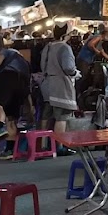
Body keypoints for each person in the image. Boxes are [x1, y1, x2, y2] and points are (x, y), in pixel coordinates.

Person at [0, 47, 32, 160]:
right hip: (22, 86)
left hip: (8, 77)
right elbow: (28, 90)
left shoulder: (9, 52)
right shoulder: (25, 64)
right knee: (11, 118)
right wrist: (30, 107)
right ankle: (10, 150)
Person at [40, 25, 79, 154]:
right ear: (64, 35)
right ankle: (60, 146)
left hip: (47, 84)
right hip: (60, 85)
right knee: (61, 116)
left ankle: (44, 144)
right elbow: (68, 67)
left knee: (47, 115)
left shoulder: (48, 46)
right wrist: (75, 73)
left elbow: (42, 65)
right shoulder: (64, 48)